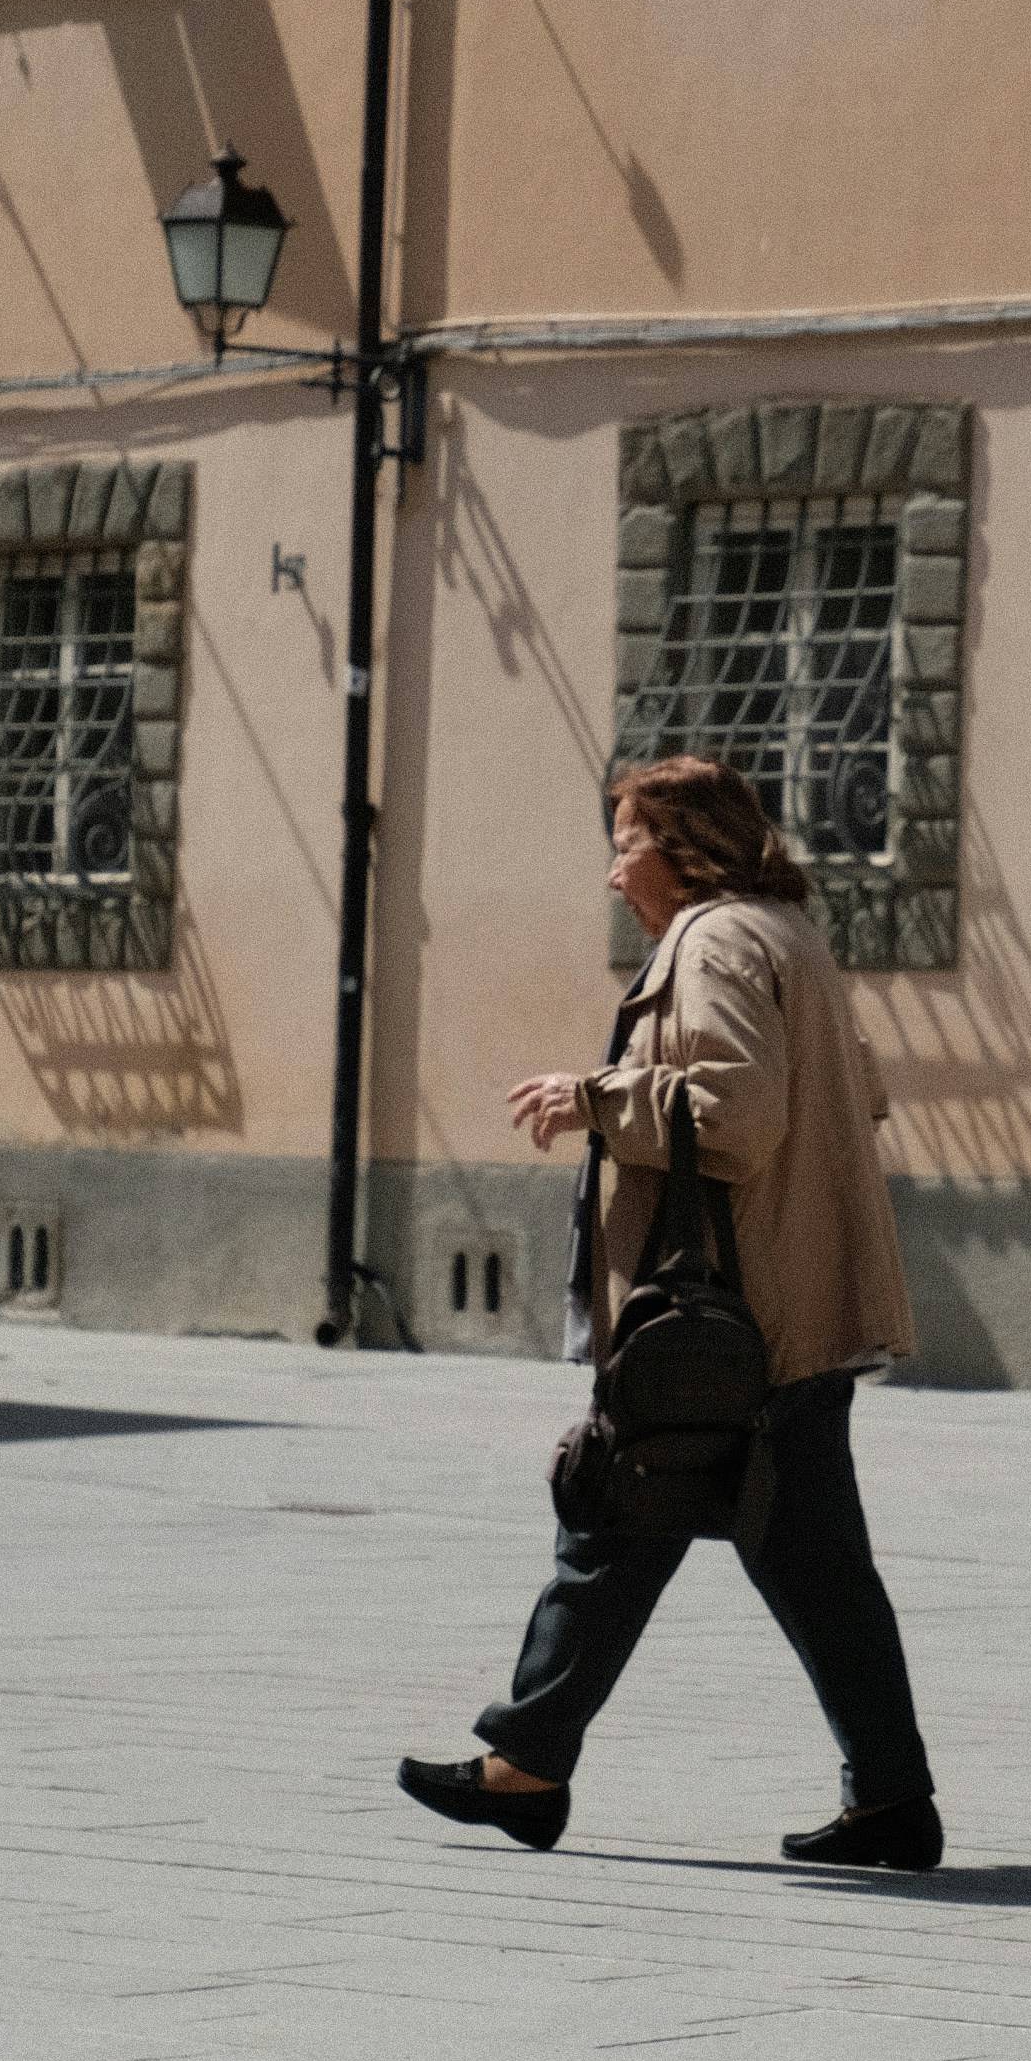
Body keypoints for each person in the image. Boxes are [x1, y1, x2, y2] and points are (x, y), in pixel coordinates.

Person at [397, 754, 943, 1871]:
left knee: (614, 1515)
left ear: (683, 847)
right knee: (788, 1564)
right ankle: (887, 1802)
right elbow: (861, 1092)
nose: (612, 873)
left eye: (625, 841)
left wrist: (594, 1097)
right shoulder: (789, 938)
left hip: (725, 1325)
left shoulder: (715, 941)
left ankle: (528, 1766)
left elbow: (736, 1114)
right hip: (787, 1316)